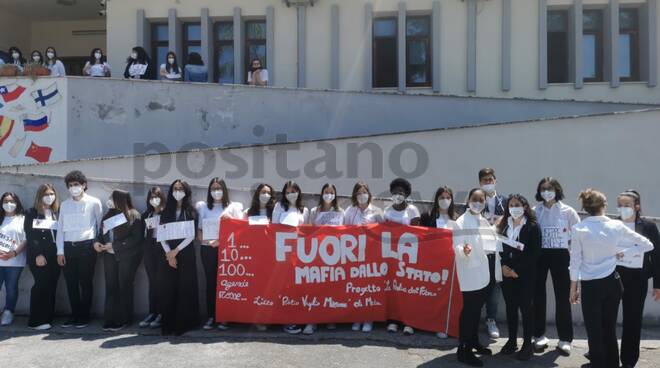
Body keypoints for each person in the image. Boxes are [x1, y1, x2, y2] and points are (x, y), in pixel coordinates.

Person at [570, 189, 654, 368]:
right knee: (608, 328)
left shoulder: (579, 229)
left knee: (595, 329)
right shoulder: (616, 225)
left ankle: (600, 362)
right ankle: (612, 363)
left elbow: (575, 261)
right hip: (612, 283)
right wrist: (626, 252)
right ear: (604, 206)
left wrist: (573, 289)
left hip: (592, 285)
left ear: (585, 207)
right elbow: (648, 245)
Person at [453, 188, 502, 367]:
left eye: (481, 200)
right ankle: (463, 349)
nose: (478, 203)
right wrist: (464, 251)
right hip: (472, 270)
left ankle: (473, 341)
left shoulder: (482, 220)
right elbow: (457, 246)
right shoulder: (461, 221)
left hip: (486, 271)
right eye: (475, 199)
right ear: (468, 200)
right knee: (470, 311)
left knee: (477, 310)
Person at [532, 177, 580, 355]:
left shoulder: (568, 212)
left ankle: (565, 339)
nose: (546, 192)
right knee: (538, 295)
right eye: (543, 188)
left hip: (561, 255)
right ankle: (538, 335)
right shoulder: (534, 210)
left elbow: (578, 237)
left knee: (563, 296)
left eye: (550, 188)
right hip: (540, 255)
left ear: (557, 190)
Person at [615, 190, 660, 368]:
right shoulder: (613, 225)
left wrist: (658, 284)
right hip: (612, 278)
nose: (623, 208)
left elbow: (657, 256)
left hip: (637, 280)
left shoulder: (648, 226)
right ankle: (602, 355)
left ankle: (628, 361)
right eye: (620, 205)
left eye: (627, 205)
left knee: (632, 321)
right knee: (605, 319)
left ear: (637, 206)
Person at [496, 194, 541, 361]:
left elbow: (534, 253)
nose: (514, 207)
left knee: (526, 309)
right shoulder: (503, 225)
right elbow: (499, 247)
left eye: (517, 204)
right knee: (510, 308)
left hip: (525, 275)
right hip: (507, 274)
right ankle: (512, 340)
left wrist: (517, 270)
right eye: (511, 205)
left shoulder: (533, 226)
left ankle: (527, 344)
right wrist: (504, 267)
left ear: (525, 207)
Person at [196, 178, 244, 331]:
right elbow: (199, 231)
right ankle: (212, 316)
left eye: (219, 188)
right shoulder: (203, 208)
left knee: (226, 283)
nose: (216, 191)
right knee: (210, 283)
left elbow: (240, 230)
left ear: (224, 189)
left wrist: (221, 241)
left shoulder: (233, 207)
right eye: (213, 188)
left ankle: (226, 317)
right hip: (207, 249)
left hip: (227, 250)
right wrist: (209, 242)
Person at [56, 170, 102, 329]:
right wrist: (60, 251)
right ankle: (74, 314)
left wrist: (97, 243)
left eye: (76, 184)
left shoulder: (94, 202)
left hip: (87, 247)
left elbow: (99, 225)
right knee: (71, 283)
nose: (73, 187)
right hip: (68, 247)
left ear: (84, 185)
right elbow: (60, 229)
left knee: (86, 282)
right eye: (70, 185)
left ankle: (84, 316)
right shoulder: (64, 205)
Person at [94, 190, 143, 331]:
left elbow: (136, 238)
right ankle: (109, 319)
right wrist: (97, 243)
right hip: (108, 256)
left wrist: (115, 246)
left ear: (120, 200)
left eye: (111, 198)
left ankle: (124, 319)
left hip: (126, 257)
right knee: (111, 287)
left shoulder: (134, 215)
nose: (109, 200)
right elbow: (100, 233)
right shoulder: (108, 215)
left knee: (124, 287)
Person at [158, 179, 199, 335]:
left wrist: (176, 251)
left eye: (180, 188)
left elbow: (191, 235)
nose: (177, 191)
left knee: (185, 288)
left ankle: (185, 323)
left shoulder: (192, 211)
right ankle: (168, 324)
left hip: (186, 253)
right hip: (168, 255)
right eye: (175, 188)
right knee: (169, 289)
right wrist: (169, 254)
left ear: (186, 191)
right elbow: (161, 235)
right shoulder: (165, 211)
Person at [302, 183, 345, 335]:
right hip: (315, 255)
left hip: (334, 256)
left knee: (331, 288)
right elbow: (307, 230)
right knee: (314, 288)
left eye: (331, 192)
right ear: (321, 194)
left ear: (335, 194)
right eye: (326, 192)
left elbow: (346, 233)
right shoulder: (314, 211)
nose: (328, 195)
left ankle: (329, 318)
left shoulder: (341, 212)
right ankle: (311, 321)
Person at [344, 181, 384, 333]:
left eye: (364, 192)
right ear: (355, 195)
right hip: (353, 256)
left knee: (369, 287)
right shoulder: (350, 211)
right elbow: (343, 230)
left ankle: (369, 318)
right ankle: (357, 317)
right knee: (355, 287)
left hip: (371, 257)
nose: (362, 195)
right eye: (359, 193)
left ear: (369, 194)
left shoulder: (377, 212)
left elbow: (384, 233)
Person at [384, 177, 420, 335]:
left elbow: (418, 232)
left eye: (401, 192)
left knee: (408, 288)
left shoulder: (412, 210)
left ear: (406, 194)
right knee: (394, 289)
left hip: (409, 255)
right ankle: (393, 320)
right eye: (395, 192)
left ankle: (409, 322)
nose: (398, 194)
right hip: (391, 256)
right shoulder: (387, 211)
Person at [420, 185, 458, 339]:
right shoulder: (427, 216)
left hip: (449, 264)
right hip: (429, 262)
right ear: (436, 199)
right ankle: (423, 322)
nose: (445, 200)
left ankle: (441, 325)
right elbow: (420, 238)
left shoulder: (456, 218)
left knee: (444, 296)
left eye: (448, 197)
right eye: (442, 197)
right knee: (427, 293)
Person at [273, 181, 309, 335]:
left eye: (293, 191)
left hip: (300, 253)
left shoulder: (304, 210)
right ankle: (286, 320)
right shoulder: (279, 207)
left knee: (298, 287)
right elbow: (273, 227)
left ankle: (298, 317)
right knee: (284, 286)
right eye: (287, 192)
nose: (291, 194)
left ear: (299, 192)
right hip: (282, 252)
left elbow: (308, 230)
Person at [25, 184, 60, 330]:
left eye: (52, 194)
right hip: (39, 254)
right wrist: (38, 254)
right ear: (40, 196)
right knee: (41, 285)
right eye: (46, 194)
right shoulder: (31, 212)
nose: (49, 197)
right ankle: (36, 320)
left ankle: (47, 318)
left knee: (52, 286)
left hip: (55, 254)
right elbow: (31, 235)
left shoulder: (56, 212)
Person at [478, 168, 505, 339]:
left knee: (495, 289)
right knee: (477, 287)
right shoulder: (476, 200)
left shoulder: (506, 201)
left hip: (498, 250)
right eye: (484, 180)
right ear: (480, 183)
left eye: (490, 179)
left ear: (495, 180)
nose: (488, 182)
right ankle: (473, 319)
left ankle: (491, 320)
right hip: (480, 250)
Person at [138, 187, 166, 329]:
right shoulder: (146, 215)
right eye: (151, 197)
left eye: (157, 196)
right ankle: (152, 312)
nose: (154, 199)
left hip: (164, 249)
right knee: (152, 282)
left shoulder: (167, 213)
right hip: (149, 250)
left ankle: (162, 313)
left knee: (162, 282)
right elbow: (142, 235)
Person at [0, 192, 26, 326]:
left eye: (12, 201)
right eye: (5, 201)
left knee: (11, 288)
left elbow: (26, 239)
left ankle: (8, 311)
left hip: (15, 261)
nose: (8, 204)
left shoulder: (22, 218)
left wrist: (13, 253)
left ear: (17, 203)